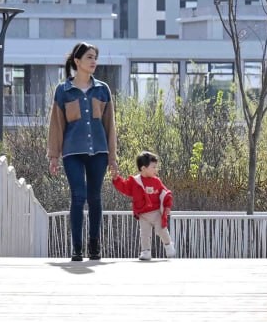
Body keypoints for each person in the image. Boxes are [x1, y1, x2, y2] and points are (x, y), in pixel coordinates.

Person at [47, 42, 117, 262]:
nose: (94, 61)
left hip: (99, 152)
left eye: (95, 57)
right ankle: (76, 247)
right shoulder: (63, 91)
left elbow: (110, 125)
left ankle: (94, 244)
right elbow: (56, 124)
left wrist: (113, 158)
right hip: (72, 153)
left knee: (94, 197)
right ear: (77, 61)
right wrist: (53, 156)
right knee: (78, 196)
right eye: (89, 57)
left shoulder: (102, 89)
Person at [113, 151, 177, 261]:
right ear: (143, 168)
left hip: (156, 212)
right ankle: (146, 252)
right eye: (153, 167)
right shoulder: (135, 181)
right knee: (144, 233)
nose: (156, 170)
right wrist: (116, 179)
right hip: (143, 214)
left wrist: (167, 206)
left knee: (162, 230)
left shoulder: (157, 181)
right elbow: (124, 187)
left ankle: (168, 245)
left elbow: (165, 193)